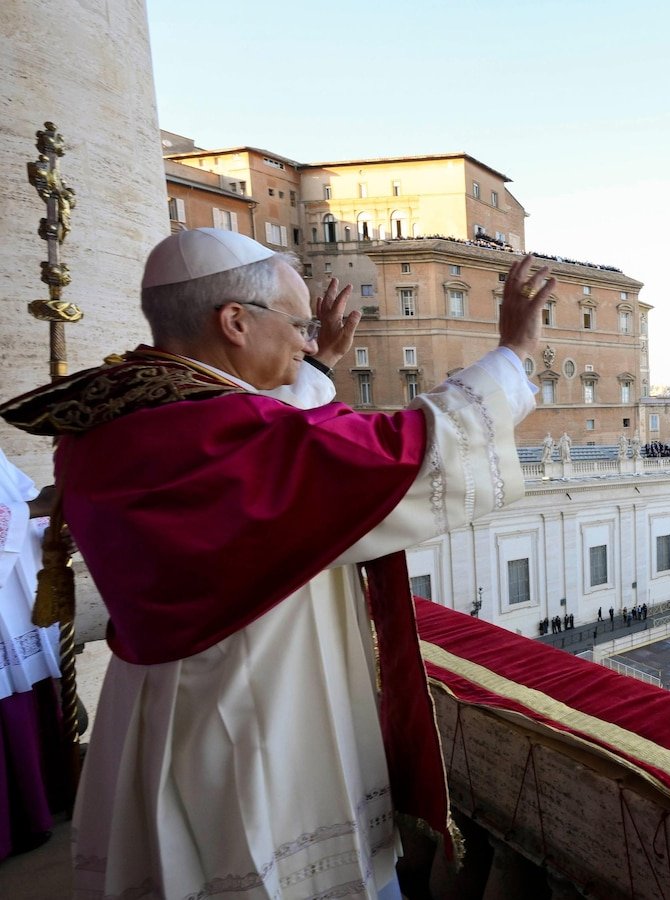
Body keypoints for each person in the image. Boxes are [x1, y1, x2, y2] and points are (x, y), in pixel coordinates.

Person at [0, 228, 556, 900]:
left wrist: (313, 370)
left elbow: (276, 436)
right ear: (234, 321)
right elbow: (399, 451)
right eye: (296, 325)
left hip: (170, 703)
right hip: (250, 713)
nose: (305, 341)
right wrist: (512, 356)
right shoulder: (211, 434)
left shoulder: (129, 411)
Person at [0, 447, 63, 861]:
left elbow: (20, 502)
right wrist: (37, 506)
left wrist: (50, 528)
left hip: (16, 606)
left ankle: (41, 809)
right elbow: (26, 504)